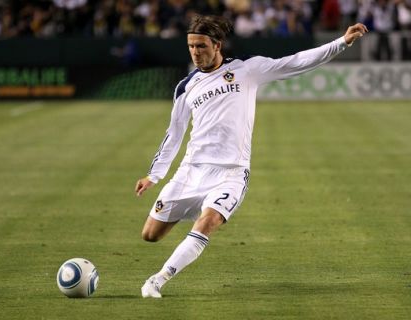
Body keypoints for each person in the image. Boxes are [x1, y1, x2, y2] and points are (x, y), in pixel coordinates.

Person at [135, 14, 368, 298]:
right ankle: (199, 206)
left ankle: (157, 280)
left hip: (231, 172)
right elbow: (174, 133)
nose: (196, 53)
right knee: (151, 235)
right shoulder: (185, 88)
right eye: (191, 47)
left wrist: (342, 42)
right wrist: (154, 175)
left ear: (217, 45)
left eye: (202, 46)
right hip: (191, 170)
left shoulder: (247, 69)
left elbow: (296, 61)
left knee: (207, 223)